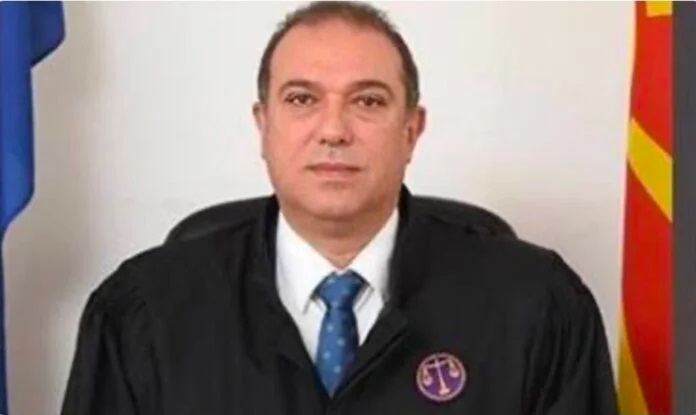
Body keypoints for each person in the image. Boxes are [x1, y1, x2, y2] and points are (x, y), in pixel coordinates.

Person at [60, 2, 619, 414]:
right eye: (302, 99)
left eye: (368, 101)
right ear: (263, 126)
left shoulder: (536, 306)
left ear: (411, 130)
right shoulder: (143, 314)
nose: (333, 130)